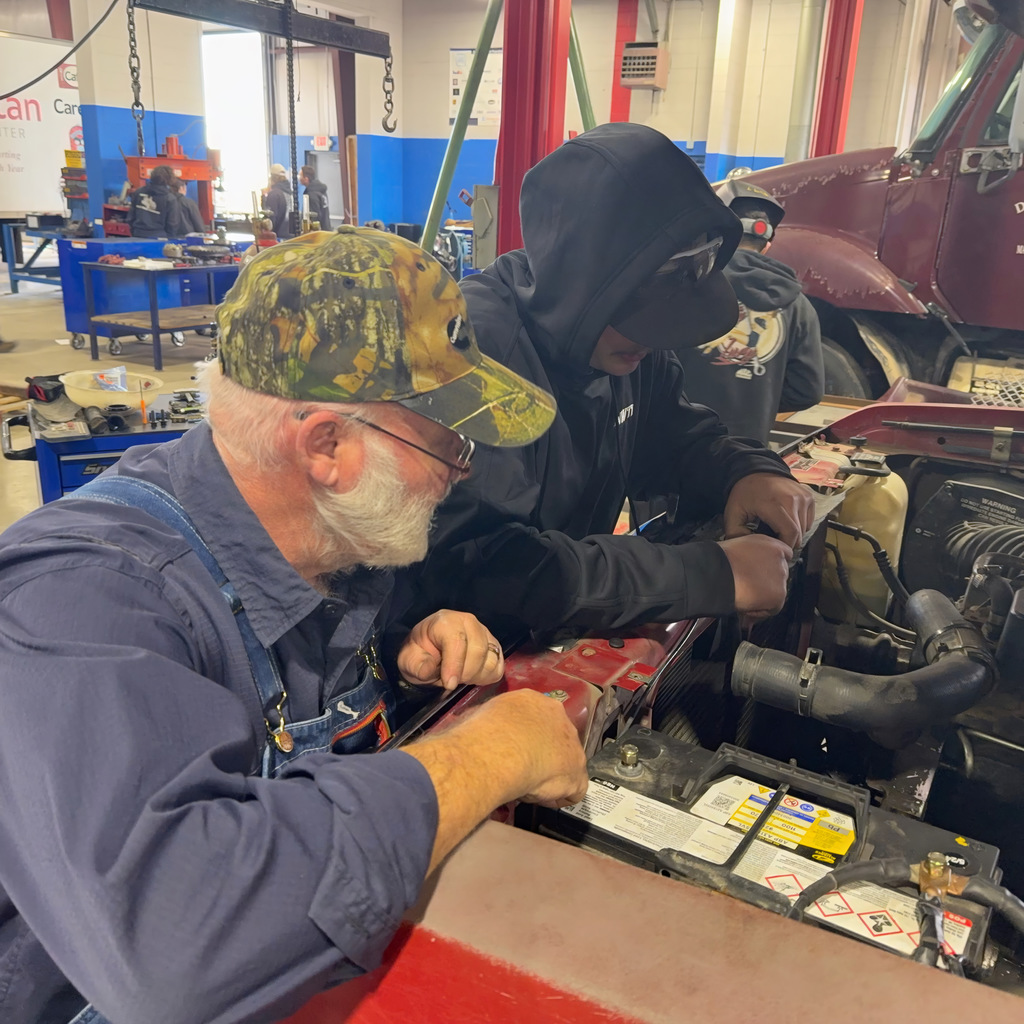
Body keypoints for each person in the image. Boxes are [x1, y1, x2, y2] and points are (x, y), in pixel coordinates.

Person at [0, 227, 588, 1024]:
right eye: (447, 440)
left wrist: (399, 660)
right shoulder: (83, 603)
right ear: (327, 445)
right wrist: (489, 751)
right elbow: (174, 954)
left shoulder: (329, 537)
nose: (463, 468)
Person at [403, 124, 814, 644]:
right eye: (641, 319)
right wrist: (708, 575)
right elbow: (486, 566)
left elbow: (675, 439)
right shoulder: (479, 355)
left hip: (547, 637)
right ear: (584, 291)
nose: (652, 341)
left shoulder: (625, 352)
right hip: (446, 668)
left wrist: (747, 472)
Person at [675, 180, 824, 443]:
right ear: (766, 245)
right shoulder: (799, 305)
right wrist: (757, 405)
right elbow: (807, 391)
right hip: (748, 456)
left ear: (715, 235)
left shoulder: (686, 287)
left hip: (678, 445)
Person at [126, 164, 184, 239]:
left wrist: (134, 231)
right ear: (170, 179)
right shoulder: (170, 199)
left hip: (138, 235)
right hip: (159, 238)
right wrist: (169, 238)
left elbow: (130, 217)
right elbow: (172, 224)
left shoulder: (139, 192)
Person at [263, 161, 294, 239]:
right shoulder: (290, 194)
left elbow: (270, 219)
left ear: (272, 178)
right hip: (291, 236)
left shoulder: (274, 194)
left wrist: (264, 198)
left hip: (277, 237)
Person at [301, 163, 331, 229]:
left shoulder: (312, 194)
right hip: (326, 229)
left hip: (318, 234)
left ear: (306, 179)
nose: (299, 178)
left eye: (300, 176)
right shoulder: (321, 191)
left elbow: (315, 217)